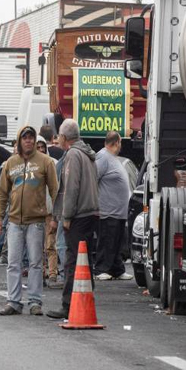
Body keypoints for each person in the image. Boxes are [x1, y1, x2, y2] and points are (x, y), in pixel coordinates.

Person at [0, 126, 58, 316]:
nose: (29, 141)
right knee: (13, 263)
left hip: (37, 221)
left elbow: (55, 191)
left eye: (31, 137)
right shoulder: (10, 163)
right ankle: (13, 302)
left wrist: (55, 217)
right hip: (14, 221)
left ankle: (35, 302)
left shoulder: (45, 162)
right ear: (19, 141)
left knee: (35, 263)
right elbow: (2, 193)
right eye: (25, 138)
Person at [46, 119, 100, 320]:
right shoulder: (87, 154)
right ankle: (85, 299)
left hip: (78, 214)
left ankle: (68, 304)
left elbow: (71, 188)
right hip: (91, 212)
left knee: (71, 260)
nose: (58, 139)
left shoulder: (73, 155)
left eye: (59, 136)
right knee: (85, 260)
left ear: (64, 137)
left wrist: (65, 217)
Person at [93, 131, 133, 281]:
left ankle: (117, 269)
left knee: (116, 241)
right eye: (120, 143)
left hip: (118, 211)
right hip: (108, 210)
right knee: (107, 240)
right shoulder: (103, 156)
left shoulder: (112, 158)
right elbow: (93, 178)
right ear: (117, 142)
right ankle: (101, 268)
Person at [37, 136, 60, 285]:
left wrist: (56, 214)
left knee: (50, 244)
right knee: (37, 245)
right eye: (37, 147)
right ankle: (40, 272)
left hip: (49, 210)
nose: (40, 150)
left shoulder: (54, 164)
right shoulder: (31, 165)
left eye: (42, 147)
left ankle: (52, 272)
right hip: (35, 211)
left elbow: (56, 190)